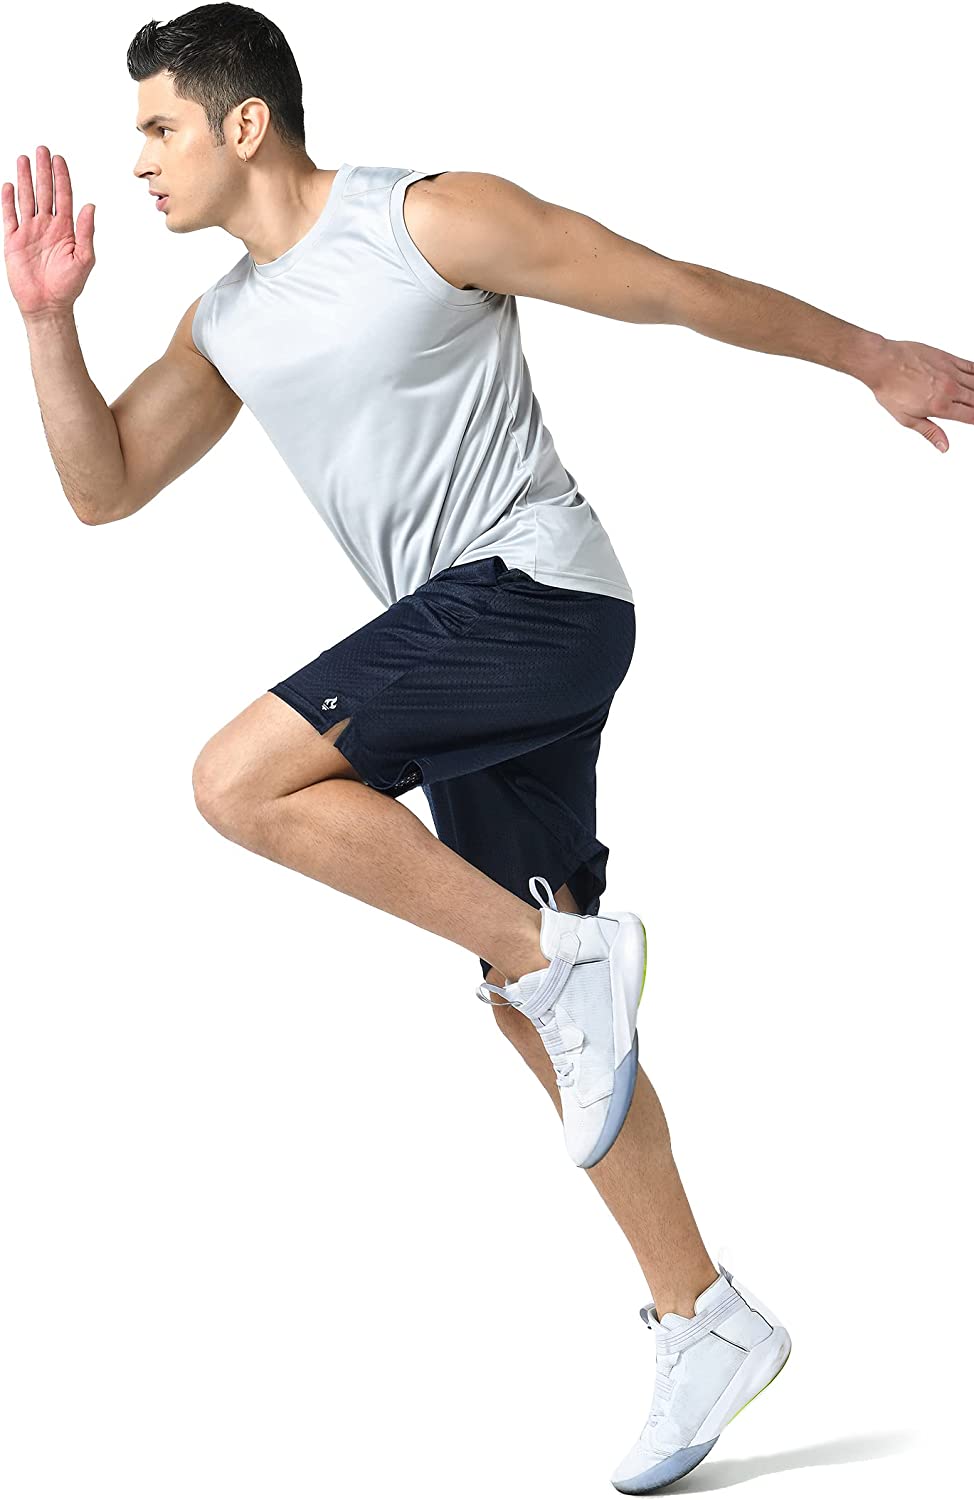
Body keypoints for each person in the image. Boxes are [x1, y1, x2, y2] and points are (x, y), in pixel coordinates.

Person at [4, 5, 971, 1492]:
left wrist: (870, 358)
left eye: (158, 127)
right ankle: (701, 1316)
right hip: (461, 647)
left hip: (538, 596)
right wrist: (47, 324)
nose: (137, 161)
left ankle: (558, 960)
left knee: (238, 780)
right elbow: (105, 485)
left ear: (244, 123)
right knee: (548, 1011)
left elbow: (663, 287)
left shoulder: (425, 217)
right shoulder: (226, 322)